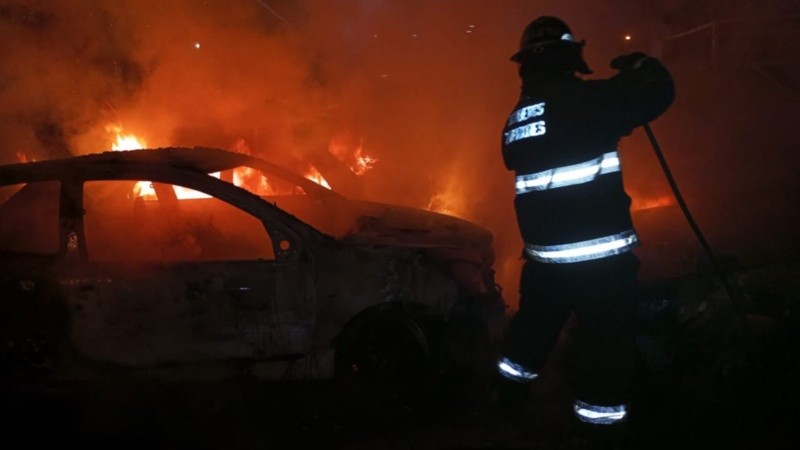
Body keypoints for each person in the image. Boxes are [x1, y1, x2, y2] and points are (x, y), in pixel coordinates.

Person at [496, 15, 675, 446]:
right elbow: (654, 95)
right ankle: (598, 431)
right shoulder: (585, 100)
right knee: (606, 345)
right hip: (599, 263)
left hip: (544, 261)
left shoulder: (517, 119)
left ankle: (506, 404)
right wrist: (643, 66)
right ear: (567, 56)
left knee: (531, 334)